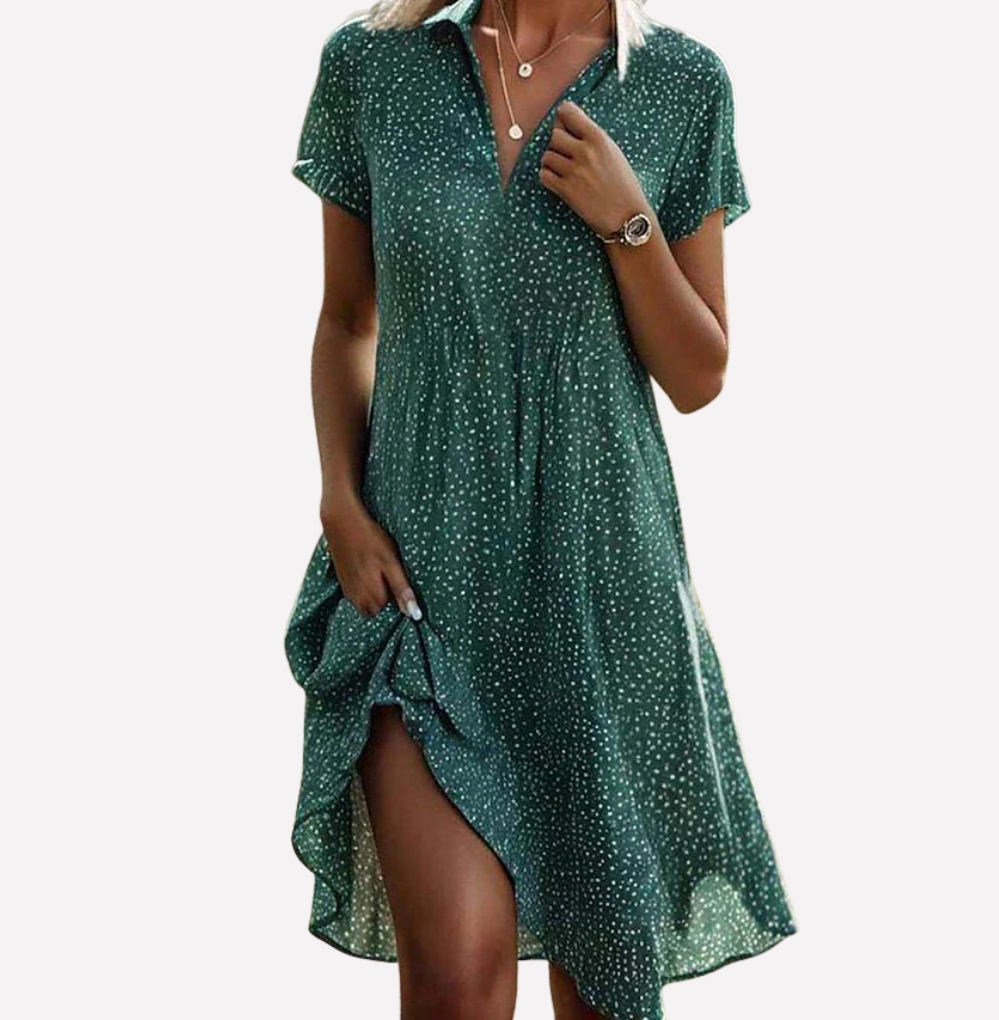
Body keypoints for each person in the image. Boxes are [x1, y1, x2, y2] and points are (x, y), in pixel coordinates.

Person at [283, 1, 797, 1017]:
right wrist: (340, 499)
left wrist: (629, 222)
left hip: (601, 594)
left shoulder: (682, 84)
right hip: (421, 586)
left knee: (604, 990)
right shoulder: (374, 67)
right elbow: (346, 318)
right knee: (457, 973)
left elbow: (699, 374)